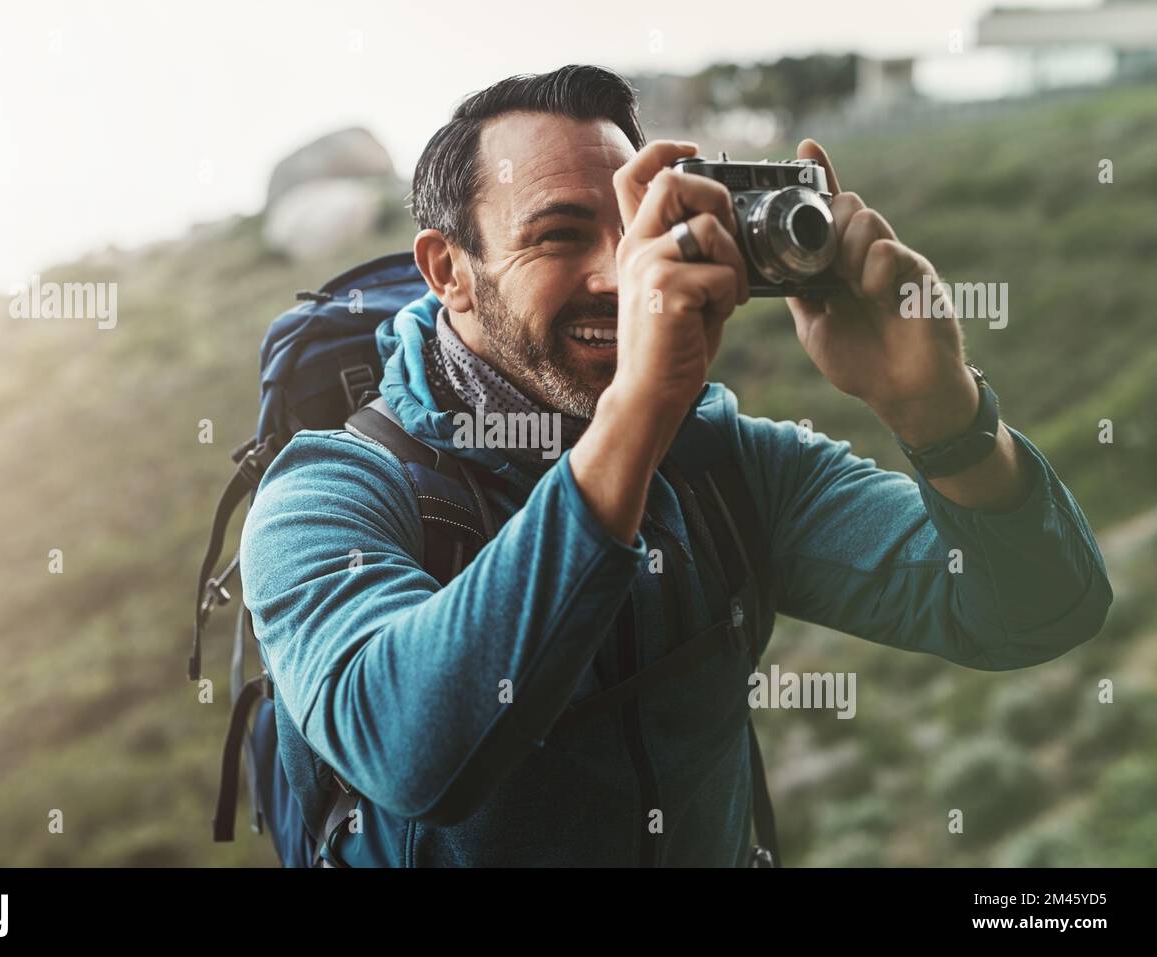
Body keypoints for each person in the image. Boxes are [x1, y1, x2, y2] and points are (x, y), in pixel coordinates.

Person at [239, 64, 1112, 866]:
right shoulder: (327, 496)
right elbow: (413, 750)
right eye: (558, 235)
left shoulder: (720, 466)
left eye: (633, 232)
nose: (617, 277)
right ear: (448, 270)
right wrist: (639, 414)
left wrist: (939, 412)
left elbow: (1035, 609)